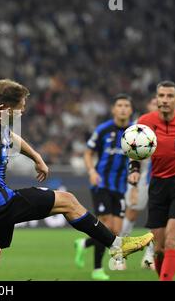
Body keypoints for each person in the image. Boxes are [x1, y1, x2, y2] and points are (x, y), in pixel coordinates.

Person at [0, 79, 153, 281]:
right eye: (20, 108)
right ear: (6, 108)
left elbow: (9, 135)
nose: (23, 112)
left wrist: (36, 157)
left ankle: (116, 246)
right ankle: (116, 246)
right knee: (67, 201)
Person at [128, 81, 175, 281]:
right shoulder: (145, 121)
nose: (164, 100)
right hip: (158, 184)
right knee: (159, 247)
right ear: (156, 98)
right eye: (161, 96)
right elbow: (134, 149)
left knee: (172, 240)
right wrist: (135, 169)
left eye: (169, 96)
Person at [74, 94, 134, 280]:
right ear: (114, 109)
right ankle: (97, 269)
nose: (123, 108)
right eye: (120, 105)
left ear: (130, 110)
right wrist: (92, 171)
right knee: (105, 224)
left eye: (126, 105)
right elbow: (88, 152)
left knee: (114, 231)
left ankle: (84, 244)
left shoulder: (135, 132)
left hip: (120, 186)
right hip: (102, 184)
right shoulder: (104, 129)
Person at [120, 96, 158, 270]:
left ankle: (149, 257)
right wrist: (133, 186)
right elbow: (131, 154)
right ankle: (121, 253)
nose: (158, 105)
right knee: (132, 213)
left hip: (163, 178)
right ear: (148, 105)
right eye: (154, 102)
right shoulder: (140, 125)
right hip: (142, 177)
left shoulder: (170, 125)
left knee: (157, 219)